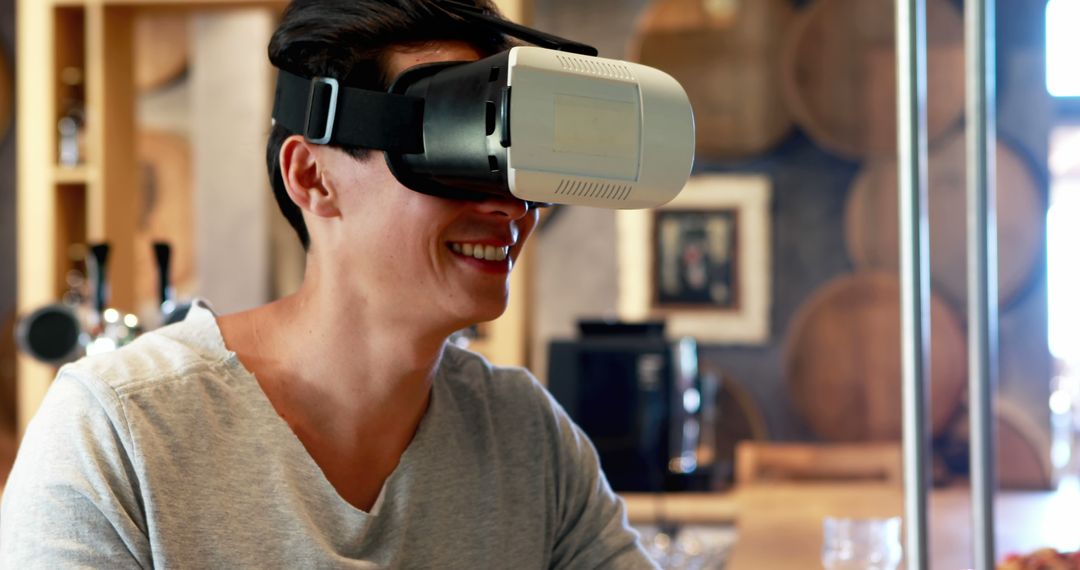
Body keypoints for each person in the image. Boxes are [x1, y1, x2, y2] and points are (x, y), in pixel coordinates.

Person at [0, 1, 656, 567]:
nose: (509, 209)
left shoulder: (525, 437)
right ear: (313, 178)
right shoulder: (116, 431)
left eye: (515, 169)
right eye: (457, 157)